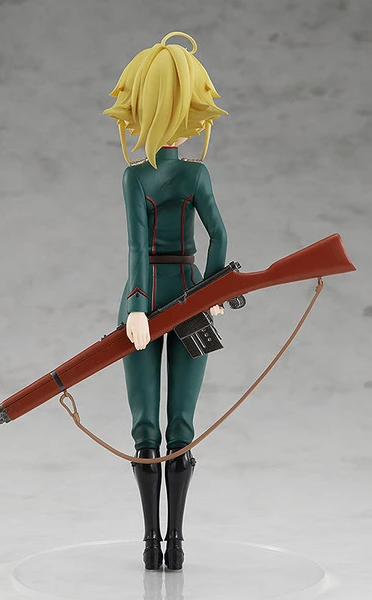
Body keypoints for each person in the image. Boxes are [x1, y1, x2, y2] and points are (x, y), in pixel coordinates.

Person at [104, 32, 228, 571]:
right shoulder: (140, 177)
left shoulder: (188, 174)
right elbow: (137, 247)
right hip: (158, 296)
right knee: (147, 429)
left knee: (179, 425)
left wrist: (215, 290)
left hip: (183, 296)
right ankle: (151, 539)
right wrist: (137, 306)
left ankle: (173, 540)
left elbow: (219, 235)